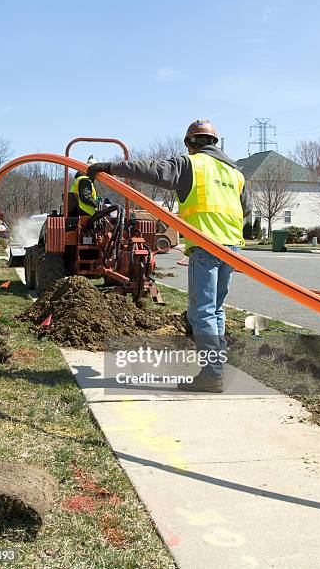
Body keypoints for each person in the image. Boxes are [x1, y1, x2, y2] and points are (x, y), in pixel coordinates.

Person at [87, 119, 252, 392]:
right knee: (216, 310)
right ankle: (216, 368)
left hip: (207, 245)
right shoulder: (235, 173)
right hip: (231, 248)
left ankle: (212, 374)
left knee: (202, 312)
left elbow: (151, 170)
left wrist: (109, 167)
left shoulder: (192, 164)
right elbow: (246, 210)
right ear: (216, 142)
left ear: (189, 143)